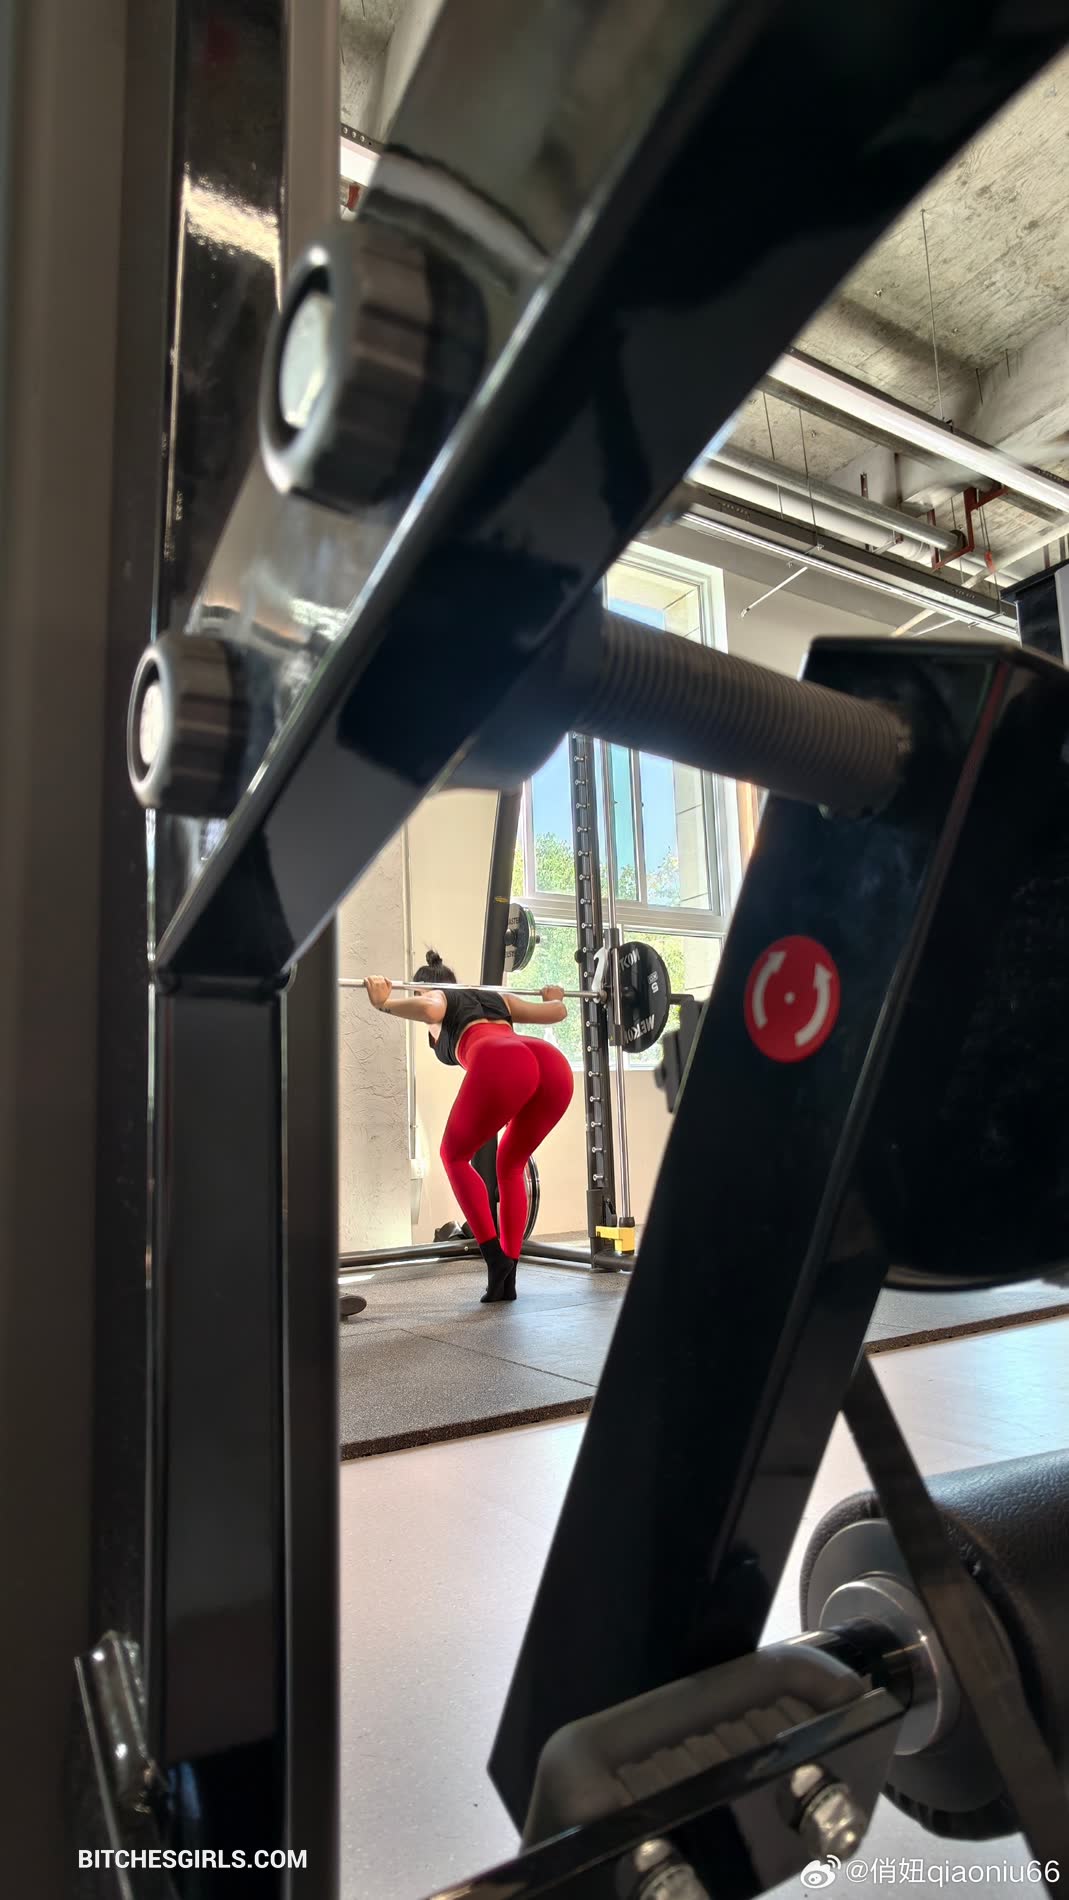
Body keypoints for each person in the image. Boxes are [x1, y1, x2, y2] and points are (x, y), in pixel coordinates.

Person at [363, 950, 574, 1302]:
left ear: (421, 988)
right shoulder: (496, 998)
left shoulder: (439, 997)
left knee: (453, 1155)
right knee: (511, 1164)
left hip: (504, 1060)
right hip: (550, 1064)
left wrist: (384, 1003)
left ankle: (494, 1258)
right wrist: (555, 998)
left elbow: (430, 1008)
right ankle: (508, 1275)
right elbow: (556, 1013)